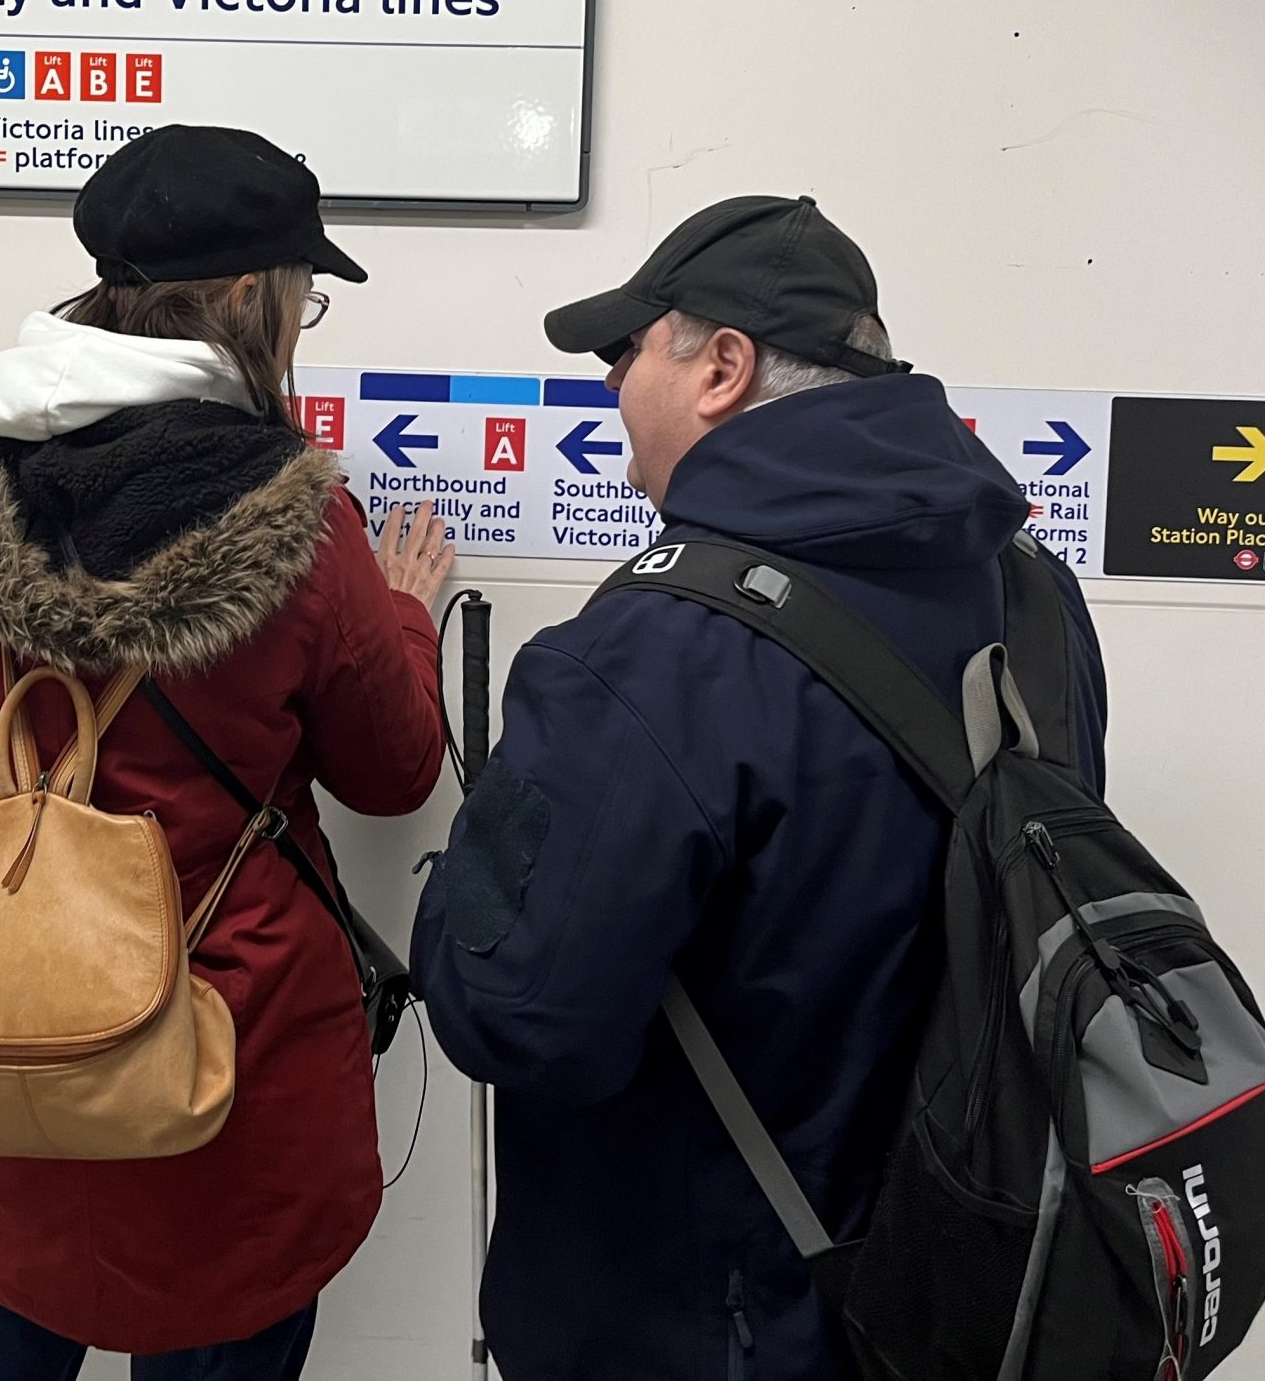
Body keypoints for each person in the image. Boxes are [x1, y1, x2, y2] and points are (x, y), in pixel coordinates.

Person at [410, 195, 1109, 1381]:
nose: (610, 386)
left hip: (699, 1317)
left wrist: (462, 890)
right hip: (967, 1284)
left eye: (627, 351)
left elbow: (519, 1020)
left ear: (721, 368)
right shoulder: (1035, 590)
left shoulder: (646, 654)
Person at [0, 124, 455, 1381]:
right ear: (244, 297)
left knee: (1, 1302)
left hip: (6, 1059)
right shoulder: (300, 526)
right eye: (301, 298)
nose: (296, 324)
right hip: (231, 1077)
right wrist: (405, 617)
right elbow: (392, 774)